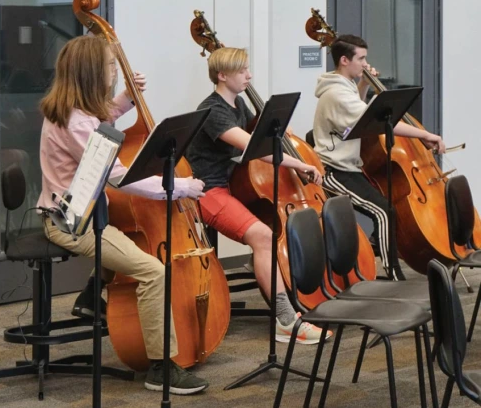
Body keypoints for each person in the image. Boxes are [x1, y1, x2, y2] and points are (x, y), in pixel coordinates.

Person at [36, 35, 209, 395]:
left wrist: (126, 100)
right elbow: (120, 178)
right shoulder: (76, 123)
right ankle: (161, 367)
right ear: (90, 73)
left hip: (82, 212)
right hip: (73, 225)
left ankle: (91, 294)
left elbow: (99, 120)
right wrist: (179, 188)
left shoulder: (73, 111)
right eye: (110, 67)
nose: (116, 72)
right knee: (153, 272)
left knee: (131, 241)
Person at [186, 47, 332, 345]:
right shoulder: (213, 110)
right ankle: (286, 321)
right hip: (206, 191)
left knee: (268, 235)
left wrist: (281, 130)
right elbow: (256, 148)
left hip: (227, 186)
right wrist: (302, 163)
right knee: (263, 236)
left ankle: (267, 272)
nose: (249, 76)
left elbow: (263, 131)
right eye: (243, 71)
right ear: (222, 75)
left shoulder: (238, 103)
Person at [312, 34, 446, 280]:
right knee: (384, 212)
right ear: (344, 60)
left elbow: (357, 113)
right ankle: (393, 275)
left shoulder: (344, 87)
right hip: (332, 171)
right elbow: (373, 121)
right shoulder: (336, 94)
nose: (365, 63)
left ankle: (381, 259)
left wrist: (363, 85)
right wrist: (425, 134)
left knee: (387, 210)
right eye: (361, 58)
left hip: (349, 167)